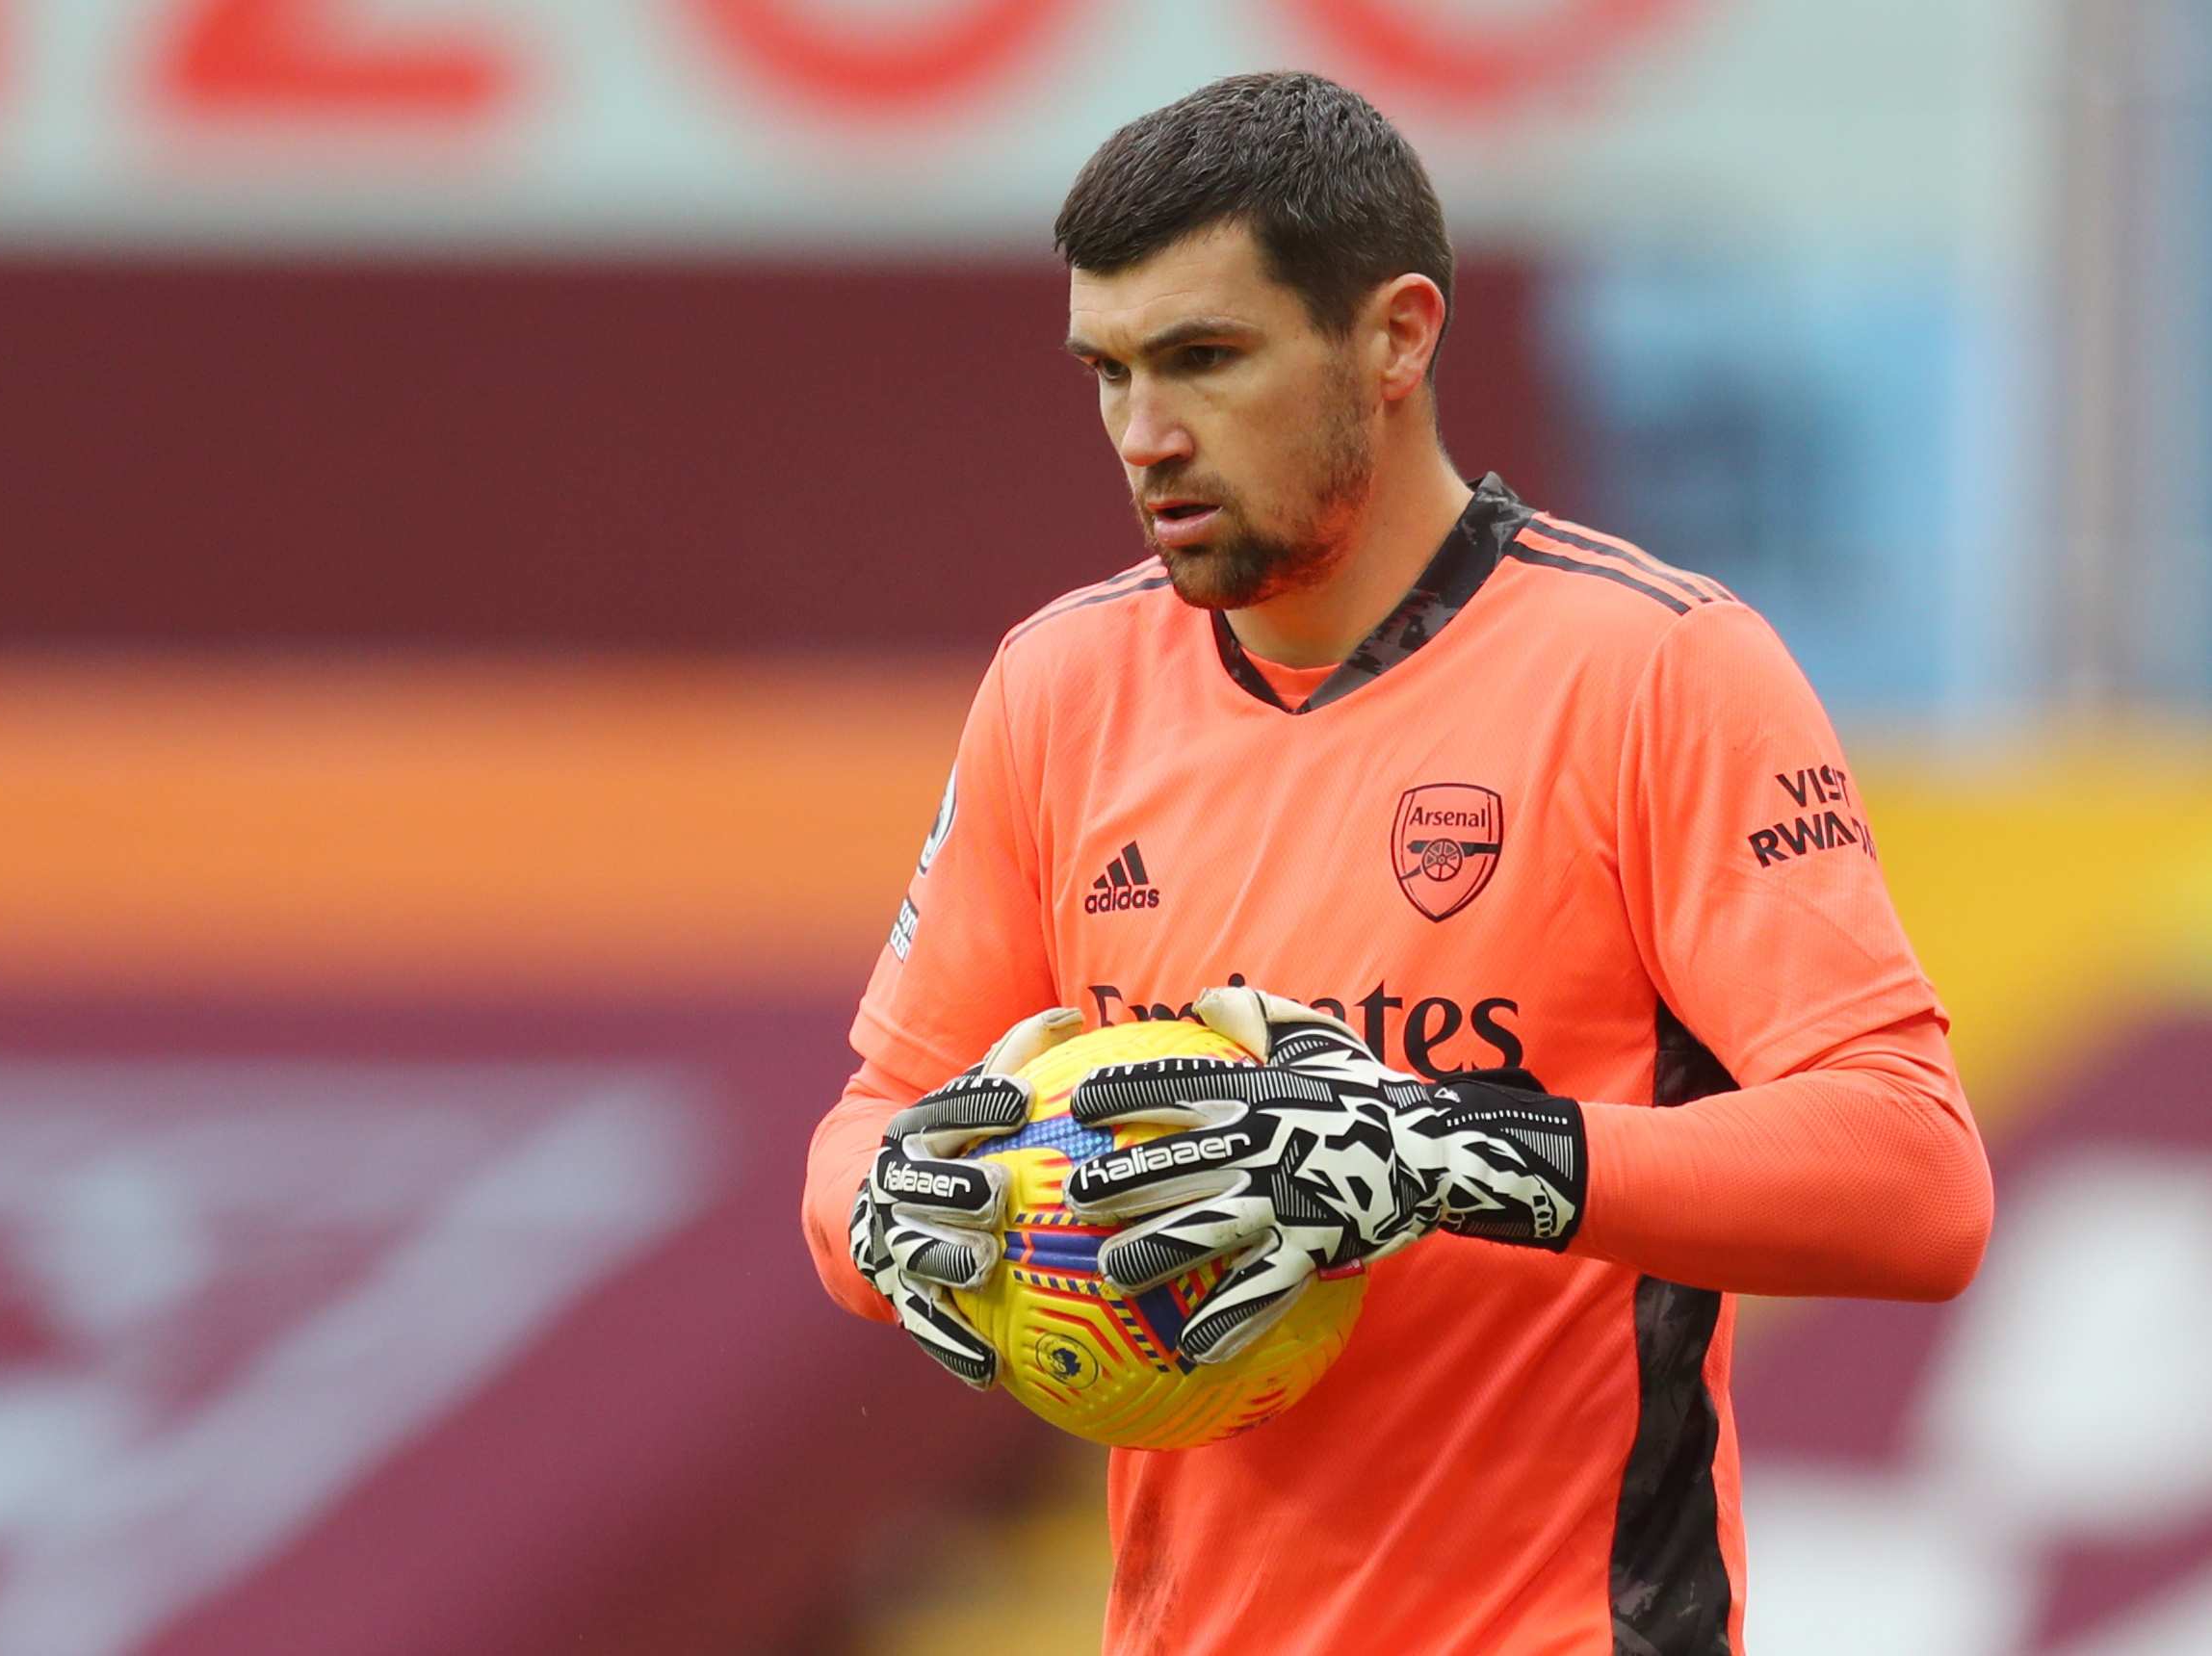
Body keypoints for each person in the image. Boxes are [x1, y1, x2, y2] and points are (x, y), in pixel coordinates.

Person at [800, 70, 1992, 1656]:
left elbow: (1917, 1185)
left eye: (1206, 360)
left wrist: (1447, 1154)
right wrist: (887, 1214)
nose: (1145, 435)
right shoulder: (1060, 686)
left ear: (1397, 335)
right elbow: (871, 1122)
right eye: (1109, 372)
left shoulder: (1657, 669)